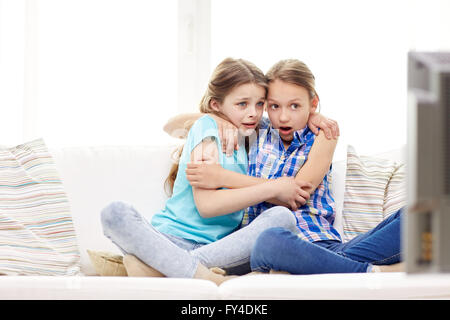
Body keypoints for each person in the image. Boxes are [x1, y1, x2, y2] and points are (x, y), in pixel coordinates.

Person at [100, 57, 313, 285]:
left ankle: (169, 268)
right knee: (115, 213)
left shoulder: (251, 133)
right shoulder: (208, 129)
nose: (253, 112)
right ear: (216, 105)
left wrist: (314, 117)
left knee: (283, 218)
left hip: (221, 250)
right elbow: (207, 206)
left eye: (260, 104)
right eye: (242, 104)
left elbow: (288, 117)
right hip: (171, 240)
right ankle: (202, 276)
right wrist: (272, 187)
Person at [185, 59, 404, 275]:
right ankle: (374, 272)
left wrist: (222, 177)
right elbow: (174, 124)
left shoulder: (323, 136)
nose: (283, 116)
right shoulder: (256, 129)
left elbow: (294, 193)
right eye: (274, 106)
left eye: (295, 106)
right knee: (271, 240)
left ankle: (339, 268)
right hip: (271, 246)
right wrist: (215, 118)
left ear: (313, 103)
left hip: (323, 245)